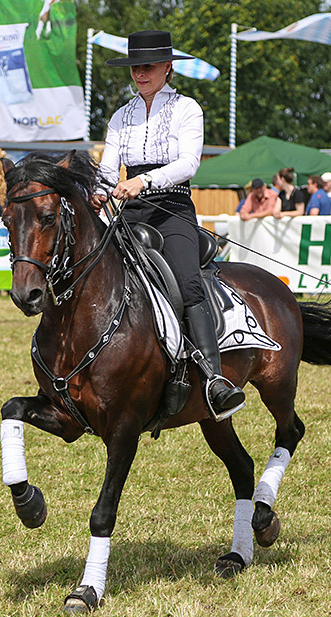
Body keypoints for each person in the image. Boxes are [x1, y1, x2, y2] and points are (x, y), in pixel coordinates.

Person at [97, 29, 244, 419]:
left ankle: (214, 379)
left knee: (187, 280)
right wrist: (98, 191)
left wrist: (143, 180)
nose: (140, 73)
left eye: (147, 66)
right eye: (134, 67)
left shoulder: (186, 109)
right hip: (129, 210)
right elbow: (109, 169)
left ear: (168, 67)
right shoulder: (120, 117)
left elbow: (188, 163)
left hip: (173, 208)